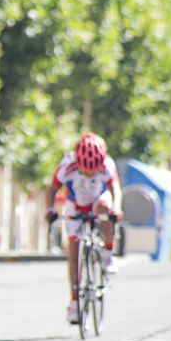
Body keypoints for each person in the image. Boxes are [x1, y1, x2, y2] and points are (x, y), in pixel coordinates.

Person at [44, 132, 122, 324]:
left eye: (92, 171)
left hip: (98, 200)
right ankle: (75, 303)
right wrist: (50, 209)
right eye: (85, 171)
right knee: (74, 251)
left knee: (105, 208)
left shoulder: (107, 165)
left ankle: (108, 253)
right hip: (76, 204)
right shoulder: (68, 163)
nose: (88, 174)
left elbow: (115, 190)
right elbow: (52, 189)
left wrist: (117, 208)